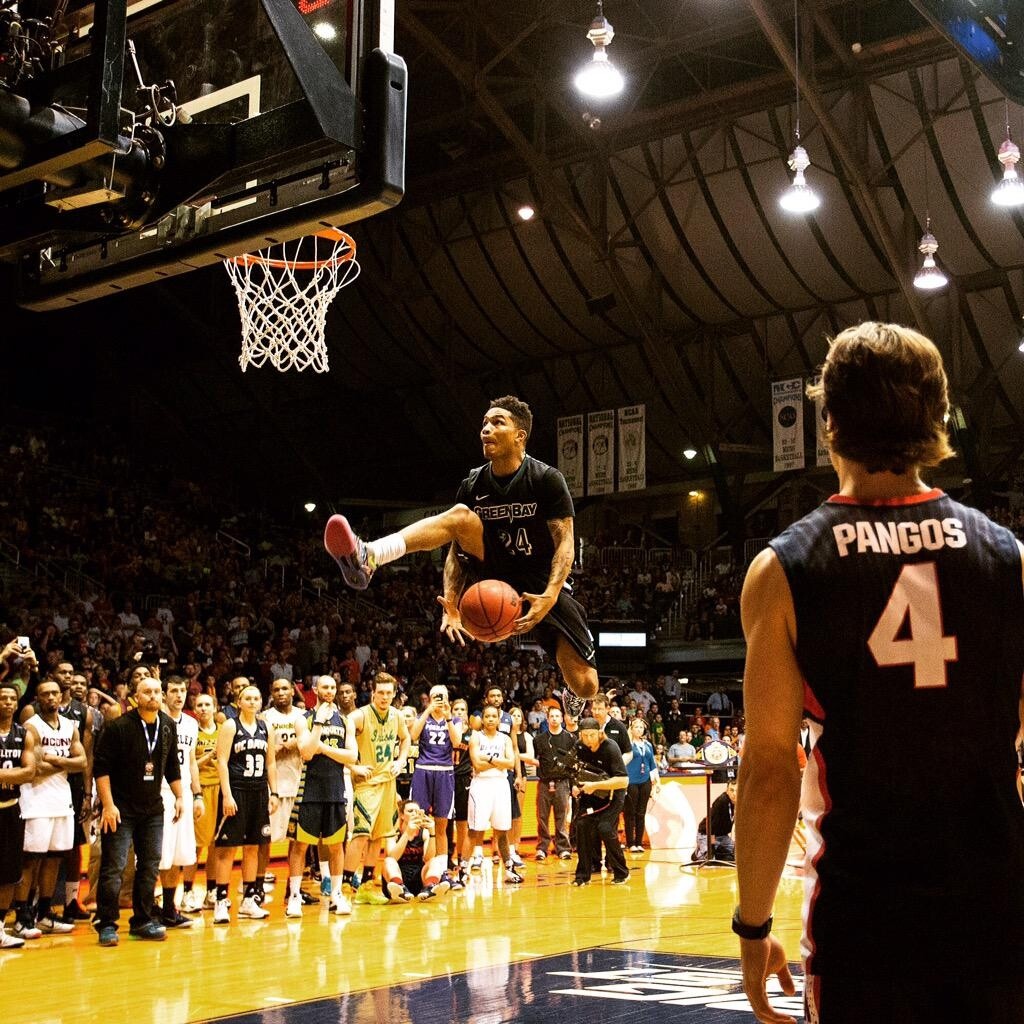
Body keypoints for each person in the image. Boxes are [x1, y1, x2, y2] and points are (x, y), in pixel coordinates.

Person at [734, 322, 1024, 1024]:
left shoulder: (783, 569)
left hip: (864, 925)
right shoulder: (1010, 556)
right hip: (998, 916)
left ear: (827, 421)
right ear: (938, 418)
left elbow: (770, 769)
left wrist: (753, 927)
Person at [324, 396, 598, 722]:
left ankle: (569, 692)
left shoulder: (545, 479)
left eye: (498, 422)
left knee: (586, 686)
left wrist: (551, 595)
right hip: (493, 568)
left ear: (520, 435)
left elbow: (565, 544)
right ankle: (371, 555)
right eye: (484, 423)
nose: (486, 429)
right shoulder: (473, 483)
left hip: (540, 579)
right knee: (460, 516)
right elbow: (457, 550)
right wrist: (451, 603)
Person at [92, 674, 182, 946]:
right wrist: (108, 805)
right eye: (147, 692)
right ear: (135, 697)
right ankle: (107, 924)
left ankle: (142, 921)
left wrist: (179, 796)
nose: (153, 696)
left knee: (150, 866)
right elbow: (101, 769)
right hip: (121, 809)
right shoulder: (119, 727)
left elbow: (171, 766)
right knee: (115, 867)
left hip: (152, 809)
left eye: (157, 691)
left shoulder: (167, 725)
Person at [14, 677, 86, 938]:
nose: (52, 698)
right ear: (38, 698)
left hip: (61, 799)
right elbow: (32, 769)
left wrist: (55, 759)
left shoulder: (70, 726)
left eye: (55, 693)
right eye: (45, 694)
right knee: (31, 860)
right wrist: (66, 761)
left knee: (55, 859)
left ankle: (44, 913)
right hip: (35, 799)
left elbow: (82, 762)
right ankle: (23, 915)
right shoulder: (30, 726)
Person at [285, 675, 355, 919]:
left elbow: (352, 756)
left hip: (335, 790)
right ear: (315, 690)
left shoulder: (345, 721)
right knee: (300, 846)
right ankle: (294, 896)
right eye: (325, 687)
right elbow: (305, 752)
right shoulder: (303, 719)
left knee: (336, 846)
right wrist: (319, 725)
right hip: (309, 791)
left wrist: (323, 749)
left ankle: (336, 894)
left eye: (333, 687)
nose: (329, 691)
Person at [209, 684, 279, 924]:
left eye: (256, 698)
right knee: (227, 849)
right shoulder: (230, 725)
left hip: (259, 792)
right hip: (236, 791)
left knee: (253, 846)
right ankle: (220, 901)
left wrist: (275, 792)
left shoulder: (265, 726)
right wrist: (227, 795)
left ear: (261, 702)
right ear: (239, 702)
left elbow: (271, 763)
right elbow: (221, 761)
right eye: (247, 698)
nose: (252, 701)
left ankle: (249, 899)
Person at [343, 672, 410, 905]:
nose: (384, 697)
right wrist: (353, 766)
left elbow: (406, 739)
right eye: (380, 693)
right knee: (361, 834)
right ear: (373, 693)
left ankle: (366, 887)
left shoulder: (397, 716)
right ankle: (344, 886)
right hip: (366, 783)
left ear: (394, 695)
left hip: (387, 783)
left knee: (377, 837)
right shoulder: (359, 716)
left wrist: (401, 761)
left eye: (388, 693)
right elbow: (340, 742)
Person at [157, 675, 203, 929]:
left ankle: (168, 908)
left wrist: (197, 795)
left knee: (177, 854)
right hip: (160, 792)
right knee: (157, 854)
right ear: (164, 694)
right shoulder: (156, 721)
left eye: (182, 690)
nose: (178, 695)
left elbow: (192, 761)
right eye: (173, 690)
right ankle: (148, 906)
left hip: (183, 792)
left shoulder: (191, 724)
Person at [261, 677, 307, 899]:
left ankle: (294, 889)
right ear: (271, 692)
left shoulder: (302, 717)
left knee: (299, 841)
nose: (281, 692)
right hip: (274, 786)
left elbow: (311, 744)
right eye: (276, 689)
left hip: (298, 783)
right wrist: (275, 748)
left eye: (285, 689)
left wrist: (297, 744)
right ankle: (256, 886)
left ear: (292, 691)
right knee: (264, 840)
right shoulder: (265, 718)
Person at [570, 717, 628, 887]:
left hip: (613, 795)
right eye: (585, 735)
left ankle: (621, 872)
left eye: (592, 735)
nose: (588, 739)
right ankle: (582, 876)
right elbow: (575, 771)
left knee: (605, 827)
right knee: (581, 827)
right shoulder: (579, 746)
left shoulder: (611, 747)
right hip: (590, 793)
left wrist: (596, 785)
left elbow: (623, 780)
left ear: (599, 733)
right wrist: (575, 786)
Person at [467, 706, 521, 885]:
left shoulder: (505, 738)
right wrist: (499, 762)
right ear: (482, 719)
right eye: (487, 716)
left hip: (500, 786)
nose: (490, 719)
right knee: (475, 829)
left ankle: (509, 869)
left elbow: (511, 763)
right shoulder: (476, 736)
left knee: (502, 830)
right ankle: (467, 865)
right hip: (481, 785)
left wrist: (488, 759)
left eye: (494, 716)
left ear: (499, 719)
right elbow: (476, 764)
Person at [0, 682, 36, 948]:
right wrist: (14, 775)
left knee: (10, 873)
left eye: (13, 698)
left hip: (11, 808)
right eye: (3, 698)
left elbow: (29, 772)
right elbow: (20, 772)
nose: (8, 703)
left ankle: (0, 927)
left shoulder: (23, 734)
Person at [409, 684, 461, 862]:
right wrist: (427, 711)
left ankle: (441, 866)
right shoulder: (422, 717)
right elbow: (413, 736)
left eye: (443, 696)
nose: (440, 700)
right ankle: (415, 863)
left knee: (441, 825)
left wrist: (447, 718)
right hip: (423, 770)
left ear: (448, 699)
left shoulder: (454, 720)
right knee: (416, 820)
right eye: (436, 696)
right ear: (430, 699)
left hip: (444, 772)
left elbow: (456, 743)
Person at [382, 799, 452, 902]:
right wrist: (407, 834)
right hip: (396, 880)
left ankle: (429, 888)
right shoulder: (393, 833)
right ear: (401, 815)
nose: (414, 814)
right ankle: (400, 890)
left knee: (435, 861)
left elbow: (428, 858)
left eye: (417, 811)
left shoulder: (424, 833)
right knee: (388, 861)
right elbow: (393, 857)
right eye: (410, 811)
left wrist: (432, 833)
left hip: (418, 879)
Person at [532, 706, 575, 861]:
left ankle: (563, 848)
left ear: (562, 718)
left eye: (557, 716)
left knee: (561, 816)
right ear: (547, 718)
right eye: (552, 716)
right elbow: (534, 758)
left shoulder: (570, 739)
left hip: (562, 782)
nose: (555, 719)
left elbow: (573, 764)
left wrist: (573, 784)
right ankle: (542, 847)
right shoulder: (539, 739)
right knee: (542, 816)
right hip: (544, 782)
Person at [191, 693, 219, 910]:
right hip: (201, 789)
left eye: (207, 704)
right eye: (199, 705)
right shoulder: (192, 732)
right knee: (197, 845)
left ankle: (212, 891)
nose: (203, 708)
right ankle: (189, 891)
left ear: (214, 707)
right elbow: (189, 765)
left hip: (221, 789)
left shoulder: (222, 731)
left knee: (216, 846)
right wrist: (209, 757)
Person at [623, 717, 659, 853]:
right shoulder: (627, 745)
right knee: (630, 813)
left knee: (641, 813)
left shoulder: (648, 745)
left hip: (645, 781)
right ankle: (630, 843)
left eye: (641, 727)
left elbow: (653, 765)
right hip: (631, 781)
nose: (639, 729)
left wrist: (656, 784)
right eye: (636, 727)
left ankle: (639, 842)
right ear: (631, 729)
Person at [694, 779, 736, 862]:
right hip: (707, 834)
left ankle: (719, 852)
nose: (734, 794)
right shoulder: (721, 802)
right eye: (731, 790)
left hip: (722, 835)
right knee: (708, 860)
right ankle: (697, 854)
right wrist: (711, 847)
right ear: (727, 791)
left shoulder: (740, 801)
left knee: (735, 855)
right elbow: (711, 826)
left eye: (737, 790)